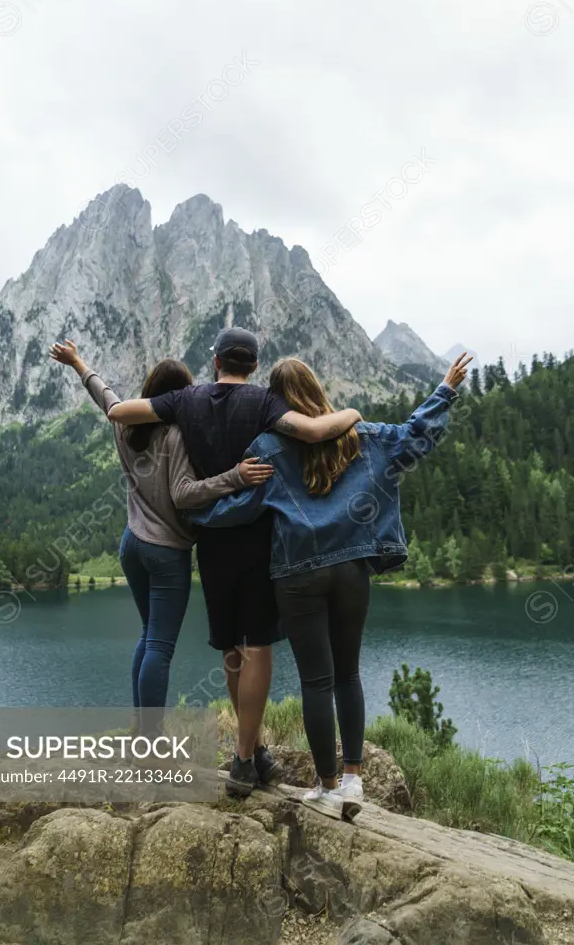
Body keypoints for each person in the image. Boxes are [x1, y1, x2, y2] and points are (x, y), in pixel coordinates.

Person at [188, 352, 472, 820]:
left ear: (276, 403)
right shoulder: (361, 436)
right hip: (352, 571)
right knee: (349, 675)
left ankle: (325, 786)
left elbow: (237, 509)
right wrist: (445, 389)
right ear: (317, 390)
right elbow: (413, 437)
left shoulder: (268, 447)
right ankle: (354, 780)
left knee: (315, 682)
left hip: (297, 577)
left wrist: (190, 511)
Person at [106, 326, 363, 797]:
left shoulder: (186, 400)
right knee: (258, 645)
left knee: (230, 647)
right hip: (261, 542)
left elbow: (119, 411)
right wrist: (353, 412)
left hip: (212, 544)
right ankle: (246, 757)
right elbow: (314, 430)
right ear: (254, 365)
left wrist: (98, 378)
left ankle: (253, 750)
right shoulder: (266, 403)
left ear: (217, 362)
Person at [49, 339, 274, 716]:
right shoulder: (176, 435)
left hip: (131, 544)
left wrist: (77, 362)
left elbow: (103, 395)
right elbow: (185, 494)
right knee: (160, 646)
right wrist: (236, 476)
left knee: (148, 636)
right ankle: (151, 744)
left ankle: (142, 731)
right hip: (166, 550)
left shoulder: (124, 427)